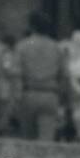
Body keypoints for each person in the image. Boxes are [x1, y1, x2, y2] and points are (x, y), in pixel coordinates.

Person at [14, 11, 65, 140]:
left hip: (29, 93)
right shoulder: (57, 48)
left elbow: (16, 73)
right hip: (49, 93)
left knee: (27, 140)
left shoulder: (23, 46)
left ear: (32, 26)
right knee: (46, 140)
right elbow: (63, 75)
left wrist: (16, 97)